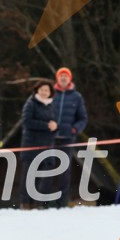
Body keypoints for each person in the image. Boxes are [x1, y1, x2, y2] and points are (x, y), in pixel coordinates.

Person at [50, 67, 88, 207]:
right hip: (50, 138)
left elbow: (83, 118)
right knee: (47, 166)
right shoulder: (51, 93)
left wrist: (74, 129)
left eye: (66, 76)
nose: (63, 78)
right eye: (61, 76)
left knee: (64, 171)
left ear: (70, 79)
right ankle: (44, 202)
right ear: (57, 79)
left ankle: (62, 203)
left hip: (67, 138)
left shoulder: (76, 97)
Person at [20, 80, 57, 209]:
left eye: (47, 90)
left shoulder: (52, 106)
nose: (44, 92)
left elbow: (54, 123)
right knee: (29, 176)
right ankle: (26, 203)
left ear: (50, 93)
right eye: (42, 89)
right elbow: (27, 121)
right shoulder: (30, 104)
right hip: (31, 145)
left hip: (47, 146)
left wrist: (55, 127)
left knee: (44, 175)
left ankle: (38, 203)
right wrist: (46, 126)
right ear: (37, 90)